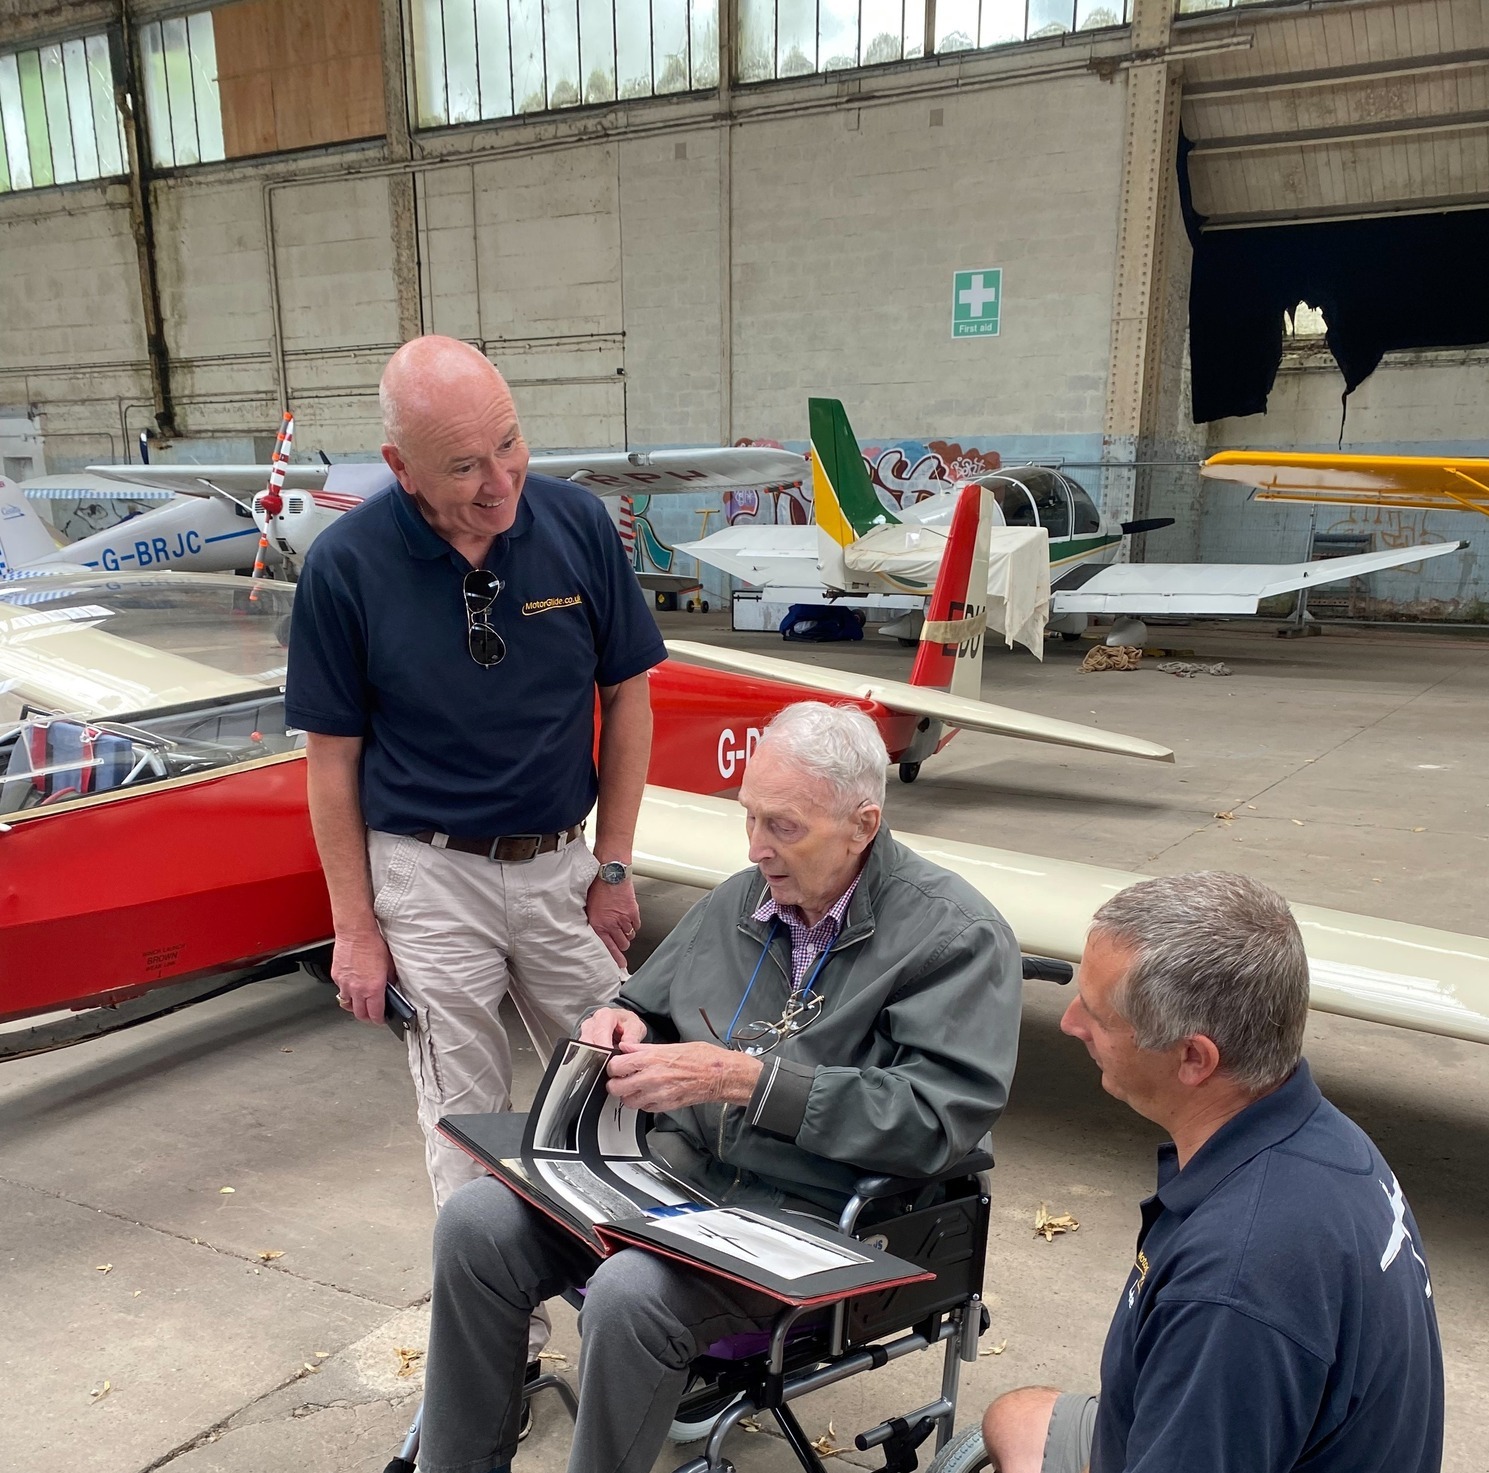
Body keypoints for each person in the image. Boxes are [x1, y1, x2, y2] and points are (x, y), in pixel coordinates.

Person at [418, 701, 1024, 1473]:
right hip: (680, 1182)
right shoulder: (743, 898)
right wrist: (620, 1019)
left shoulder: (955, 937)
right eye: (749, 817)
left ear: (861, 823)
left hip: (814, 1218)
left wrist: (747, 1080)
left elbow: (935, 1120)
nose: (755, 848)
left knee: (631, 1291)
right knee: (475, 1221)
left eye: (783, 826)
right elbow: (646, 998)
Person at [284, 336, 666, 1375]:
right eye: (463, 466)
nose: (499, 483)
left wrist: (616, 865)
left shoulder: (577, 526)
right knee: (466, 1125)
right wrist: (356, 930)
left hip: (559, 864)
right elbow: (331, 764)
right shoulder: (345, 568)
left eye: (510, 445)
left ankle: (647, 1329)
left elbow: (626, 695)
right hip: (426, 871)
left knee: (623, 1088)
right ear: (399, 467)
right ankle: (505, 1358)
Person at [980, 872, 1443, 1473]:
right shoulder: (1324, 1137)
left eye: (1096, 1013)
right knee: (1017, 1417)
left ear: (1194, 1058)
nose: (1069, 1023)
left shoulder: (1234, 1283)